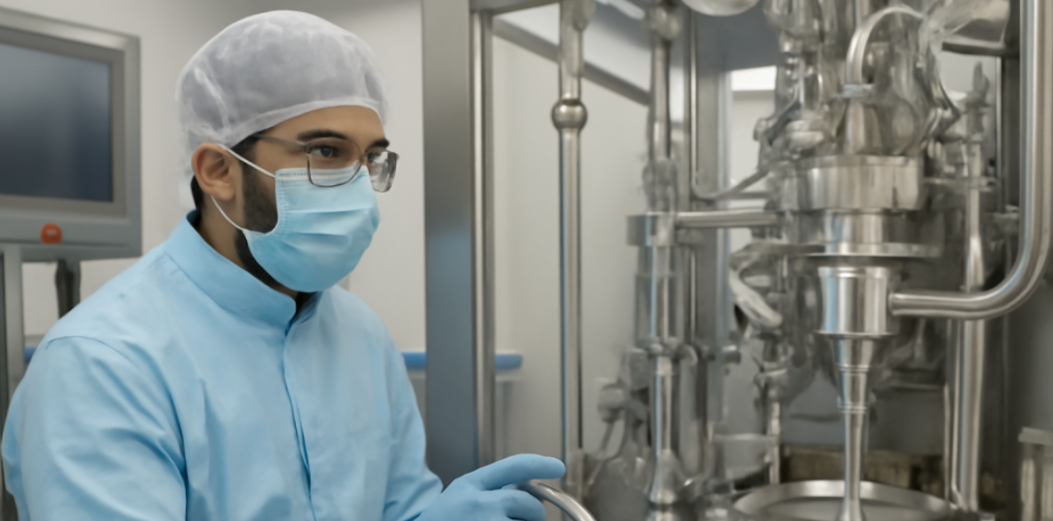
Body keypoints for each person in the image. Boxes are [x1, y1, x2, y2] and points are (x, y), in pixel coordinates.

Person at [1, 11, 562, 521]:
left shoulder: (361, 335)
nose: (357, 187)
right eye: (326, 152)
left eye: (370, 158)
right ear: (218, 170)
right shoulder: (102, 363)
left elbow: (399, 510)